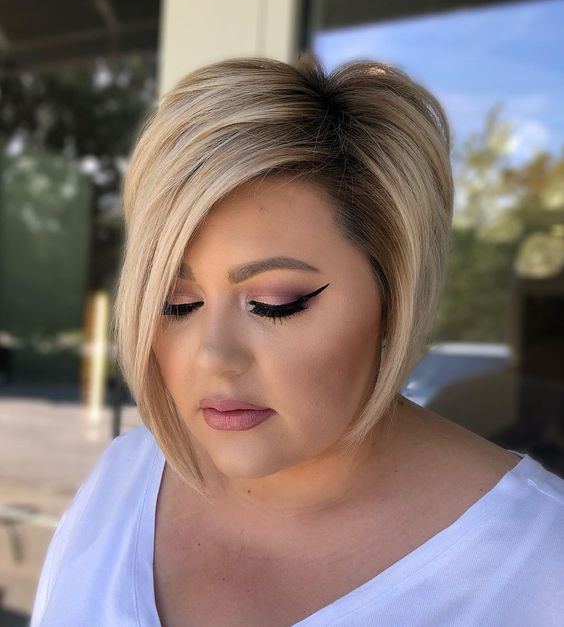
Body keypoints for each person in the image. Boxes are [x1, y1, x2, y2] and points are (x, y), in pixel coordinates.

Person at [31, 53, 564, 627]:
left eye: (275, 303)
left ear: (394, 294)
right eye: (176, 302)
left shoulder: (542, 570)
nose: (213, 356)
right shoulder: (122, 479)